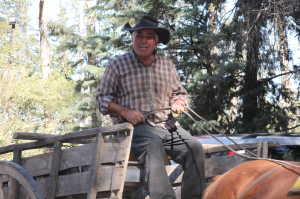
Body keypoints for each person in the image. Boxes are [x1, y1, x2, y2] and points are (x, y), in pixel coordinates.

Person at [95, 14, 205, 199]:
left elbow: (180, 93)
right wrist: (126, 112)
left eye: (148, 37)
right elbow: (101, 99)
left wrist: (178, 102)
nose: (143, 41)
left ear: (156, 41)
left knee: (195, 148)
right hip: (135, 129)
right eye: (139, 35)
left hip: (167, 125)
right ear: (132, 38)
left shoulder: (167, 65)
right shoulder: (117, 65)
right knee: (153, 146)